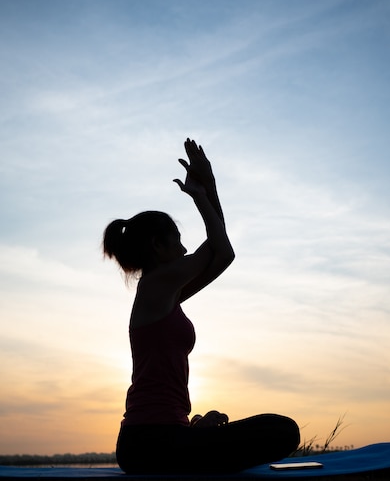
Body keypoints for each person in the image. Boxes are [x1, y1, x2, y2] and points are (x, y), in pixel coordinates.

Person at [103, 138, 300, 474]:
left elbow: (222, 252)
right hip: (150, 441)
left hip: (162, 436)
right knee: (283, 431)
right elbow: (219, 247)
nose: (183, 250)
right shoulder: (155, 284)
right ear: (157, 245)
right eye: (177, 240)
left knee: (279, 430)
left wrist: (209, 189)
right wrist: (202, 194)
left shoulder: (166, 294)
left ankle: (195, 439)